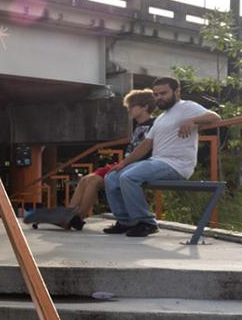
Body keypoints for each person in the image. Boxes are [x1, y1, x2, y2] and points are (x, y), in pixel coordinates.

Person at [103, 76, 220, 237]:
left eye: (163, 93)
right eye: (156, 95)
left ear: (177, 91)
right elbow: (145, 145)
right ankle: (125, 221)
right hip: (157, 162)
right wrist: (123, 163)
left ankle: (146, 223)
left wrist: (192, 121)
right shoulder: (161, 118)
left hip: (177, 165)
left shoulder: (186, 107)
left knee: (129, 177)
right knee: (112, 177)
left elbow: (215, 117)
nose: (159, 98)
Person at [65, 88, 156, 229]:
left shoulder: (154, 124)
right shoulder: (138, 126)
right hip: (125, 163)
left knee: (93, 181)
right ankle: (68, 215)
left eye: (132, 106)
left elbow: (145, 150)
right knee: (85, 179)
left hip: (136, 165)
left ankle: (79, 218)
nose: (129, 110)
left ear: (145, 107)